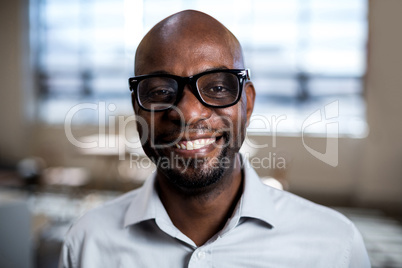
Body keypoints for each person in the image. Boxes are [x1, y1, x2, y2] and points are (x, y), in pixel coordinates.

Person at [59, 10, 370, 267]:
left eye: (218, 87)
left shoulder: (334, 247)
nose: (189, 112)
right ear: (137, 107)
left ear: (247, 103)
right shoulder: (87, 245)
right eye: (160, 91)